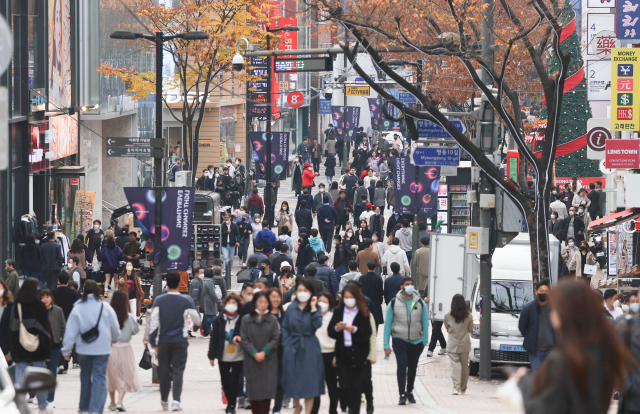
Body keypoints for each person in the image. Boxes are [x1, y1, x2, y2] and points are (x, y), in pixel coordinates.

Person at [501, 280, 631, 414]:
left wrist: (522, 382)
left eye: (555, 308)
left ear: (566, 312)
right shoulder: (604, 351)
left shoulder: (565, 360)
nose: (551, 313)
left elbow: (544, 409)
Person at [62, 280, 121, 414]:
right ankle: (96, 409)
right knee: (100, 378)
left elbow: (70, 331)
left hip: (84, 349)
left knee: (85, 378)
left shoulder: (77, 308)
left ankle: (84, 407)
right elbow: (115, 328)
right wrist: (115, 338)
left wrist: (67, 350)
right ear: (98, 292)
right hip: (102, 349)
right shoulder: (105, 308)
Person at [149, 271, 201, 411]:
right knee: (178, 371)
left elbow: (153, 322)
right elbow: (197, 319)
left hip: (163, 341)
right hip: (180, 341)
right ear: (179, 283)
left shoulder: (159, 300)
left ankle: (164, 400)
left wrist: (153, 342)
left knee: (164, 370)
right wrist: (195, 327)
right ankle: (176, 401)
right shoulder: (187, 300)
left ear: (166, 282)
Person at [383, 277, 429, 405]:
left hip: (416, 342)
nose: (410, 286)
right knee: (402, 365)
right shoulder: (393, 303)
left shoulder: (420, 302)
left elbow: (425, 323)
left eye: (411, 284)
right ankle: (402, 394)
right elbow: (388, 325)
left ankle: (410, 391)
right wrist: (386, 344)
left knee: (413, 367)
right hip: (399, 339)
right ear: (401, 287)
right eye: (407, 284)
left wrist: (424, 341)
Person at [328, 283, 372, 414]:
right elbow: (330, 330)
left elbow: (367, 333)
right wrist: (338, 328)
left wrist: (354, 329)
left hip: (358, 354)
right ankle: (345, 406)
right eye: (346, 297)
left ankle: (354, 410)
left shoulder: (363, 312)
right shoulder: (338, 311)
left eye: (351, 297)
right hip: (343, 353)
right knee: (343, 385)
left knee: (356, 389)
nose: (348, 299)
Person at [10, 278, 52, 413]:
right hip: (37, 350)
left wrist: (13, 351)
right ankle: (42, 407)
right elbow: (44, 331)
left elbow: (13, 330)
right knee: (39, 380)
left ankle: (19, 407)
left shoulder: (16, 305)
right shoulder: (40, 306)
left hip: (20, 350)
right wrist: (47, 352)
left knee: (20, 382)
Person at [240, 291, 281, 414]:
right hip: (251, 360)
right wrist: (254, 353)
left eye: (265, 302)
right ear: (255, 303)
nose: (263, 305)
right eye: (260, 302)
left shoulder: (272, 320)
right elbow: (244, 338)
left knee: (266, 395)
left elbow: (276, 338)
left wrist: (264, 352)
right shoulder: (246, 319)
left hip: (268, 361)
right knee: (254, 394)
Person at [208, 293, 244, 414]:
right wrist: (211, 356)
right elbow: (214, 338)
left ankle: (232, 405)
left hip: (238, 355)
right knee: (225, 381)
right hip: (223, 355)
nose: (231, 305)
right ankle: (230, 402)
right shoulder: (220, 319)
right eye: (229, 303)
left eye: (234, 303)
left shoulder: (242, 318)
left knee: (234, 381)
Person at [106, 290, 140, 412]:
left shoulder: (108, 316)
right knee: (125, 375)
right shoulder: (129, 316)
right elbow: (136, 330)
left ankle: (112, 402)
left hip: (110, 349)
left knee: (111, 376)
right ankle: (120, 401)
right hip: (125, 348)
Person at [518, 278, 555, 372]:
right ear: (536, 291)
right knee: (536, 376)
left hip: (552, 349)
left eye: (546, 291)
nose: (544, 293)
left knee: (551, 376)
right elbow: (522, 326)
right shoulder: (528, 308)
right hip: (535, 350)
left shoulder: (554, 308)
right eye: (541, 291)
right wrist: (530, 337)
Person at [311, 292, 338, 414]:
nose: (322, 303)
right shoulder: (313, 317)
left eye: (325, 301)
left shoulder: (334, 316)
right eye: (320, 300)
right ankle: (314, 410)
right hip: (315, 354)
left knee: (332, 385)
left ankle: (333, 410)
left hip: (330, 353)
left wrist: (337, 355)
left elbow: (338, 338)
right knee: (315, 386)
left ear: (330, 303)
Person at [39, 288, 66, 407]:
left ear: (51, 298)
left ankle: (50, 398)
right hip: (39, 347)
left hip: (54, 346)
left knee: (52, 373)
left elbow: (63, 327)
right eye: (43, 297)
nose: (45, 300)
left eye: (47, 297)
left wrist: (62, 340)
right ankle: (41, 397)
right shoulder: (37, 311)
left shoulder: (58, 310)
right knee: (40, 372)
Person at [444, 294, 473, 395]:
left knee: (456, 365)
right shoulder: (469, 316)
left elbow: (446, 327)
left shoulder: (447, 315)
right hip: (464, 343)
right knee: (465, 366)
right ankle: (463, 388)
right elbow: (470, 329)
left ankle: (456, 387)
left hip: (452, 343)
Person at [359, 261, 384, 329]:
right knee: (375, 323)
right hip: (375, 303)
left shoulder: (361, 278)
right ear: (375, 268)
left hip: (364, 303)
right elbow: (381, 292)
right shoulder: (378, 279)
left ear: (367, 267)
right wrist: (380, 301)